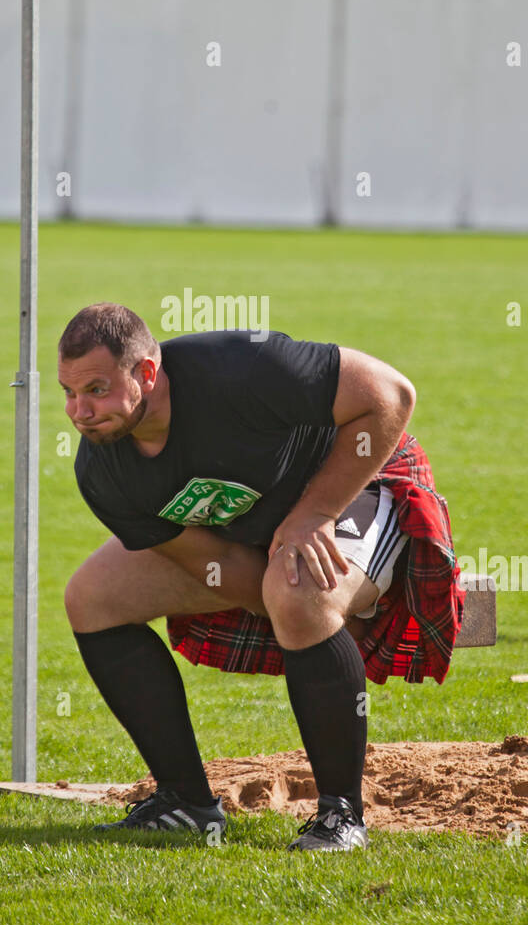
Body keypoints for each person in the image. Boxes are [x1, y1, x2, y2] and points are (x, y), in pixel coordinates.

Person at [60, 302, 464, 852]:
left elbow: (391, 396)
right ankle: (186, 803)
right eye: (69, 393)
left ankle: (341, 817)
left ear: (148, 374)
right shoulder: (102, 472)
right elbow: (213, 563)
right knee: (91, 598)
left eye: (97, 390)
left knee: (297, 588)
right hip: (256, 537)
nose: (80, 412)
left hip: (358, 486)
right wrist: (300, 615)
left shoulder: (239, 367)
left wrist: (313, 516)